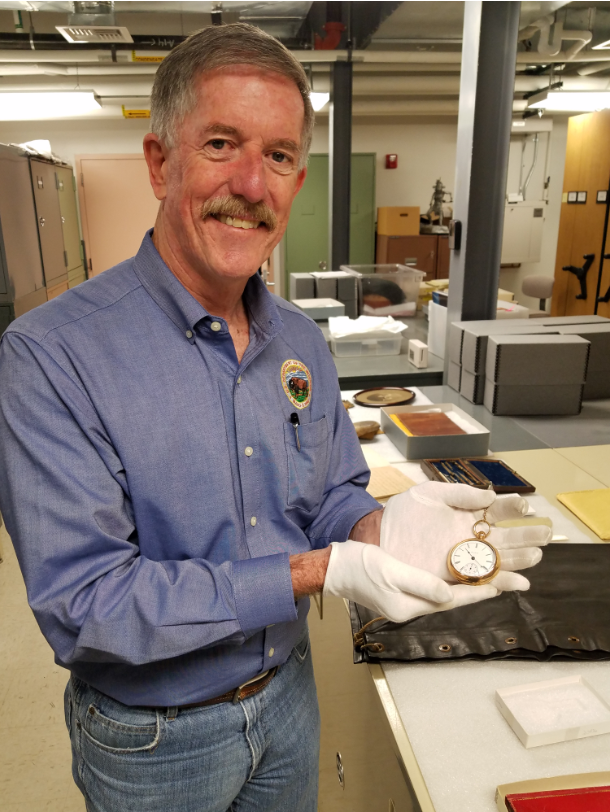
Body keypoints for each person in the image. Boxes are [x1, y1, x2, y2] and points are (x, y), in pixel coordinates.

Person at [0, 23, 550, 812]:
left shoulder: (299, 341)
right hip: (156, 740)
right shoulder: (52, 356)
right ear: (161, 163)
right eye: (222, 144)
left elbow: (325, 494)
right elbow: (87, 605)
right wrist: (317, 570)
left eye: (282, 156)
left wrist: (378, 527)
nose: (254, 185)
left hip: (290, 697)